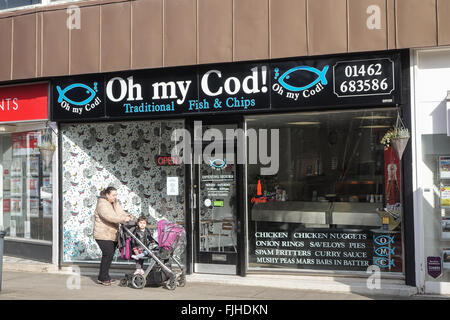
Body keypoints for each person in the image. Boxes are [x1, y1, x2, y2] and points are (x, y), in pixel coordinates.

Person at [93, 186, 134, 286]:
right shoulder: (102, 204)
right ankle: (102, 278)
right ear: (107, 195)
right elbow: (110, 217)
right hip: (102, 234)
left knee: (109, 256)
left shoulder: (114, 203)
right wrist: (123, 219)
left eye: (116, 195)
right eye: (113, 195)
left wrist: (127, 215)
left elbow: (120, 212)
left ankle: (104, 276)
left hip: (111, 235)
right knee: (108, 254)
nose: (115, 197)